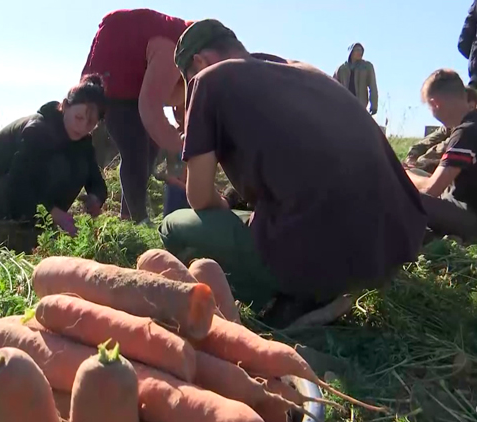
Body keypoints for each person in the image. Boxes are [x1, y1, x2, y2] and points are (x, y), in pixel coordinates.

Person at [160, 19, 427, 328]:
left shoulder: (208, 79)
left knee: (174, 225)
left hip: (319, 256)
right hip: (390, 248)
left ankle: (286, 301)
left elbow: (199, 197)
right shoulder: (311, 73)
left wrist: (224, 208)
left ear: (199, 62)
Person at [0, 74, 109, 253]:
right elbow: (20, 181)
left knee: (77, 163)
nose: (83, 128)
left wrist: (95, 198)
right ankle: (12, 225)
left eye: (91, 123)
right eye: (79, 118)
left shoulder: (84, 141)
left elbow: (95, 179)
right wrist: (54, 212)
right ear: (65, 106)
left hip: (31, 197)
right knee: (59, 166)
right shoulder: (38, 130)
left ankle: (38, 222)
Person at [80, 9, 193, 224]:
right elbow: (151, 107)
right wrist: (182, 152)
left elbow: (182, 105)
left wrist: (184, 135)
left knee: (150, 147)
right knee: (136, 149)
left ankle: (128, 215)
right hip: (114, 86)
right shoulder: (172, 47)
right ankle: (138, 219)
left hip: (133, 85)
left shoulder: (183, 55)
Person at [406, 69, 477, 243]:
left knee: (401, 193)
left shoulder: (466, 132)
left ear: (435, 103)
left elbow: (431, 190)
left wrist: (403, 174)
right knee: (418, 175)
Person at [404, 86, 477, 173]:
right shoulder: (450, 125)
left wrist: (417, 165)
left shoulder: (471, 129)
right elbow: (424, 143)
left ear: (471, 106)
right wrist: (411, 159)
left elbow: (445, 151)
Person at [333, 43, 379, 116]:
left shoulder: (367, 67)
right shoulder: (341, 68)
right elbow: (334, 88)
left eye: (361, 50)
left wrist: (374, 105)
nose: (360, 52)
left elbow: (372, 86)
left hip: (360, 105)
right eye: (357, 50)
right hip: (344, 104)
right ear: (351, 52)